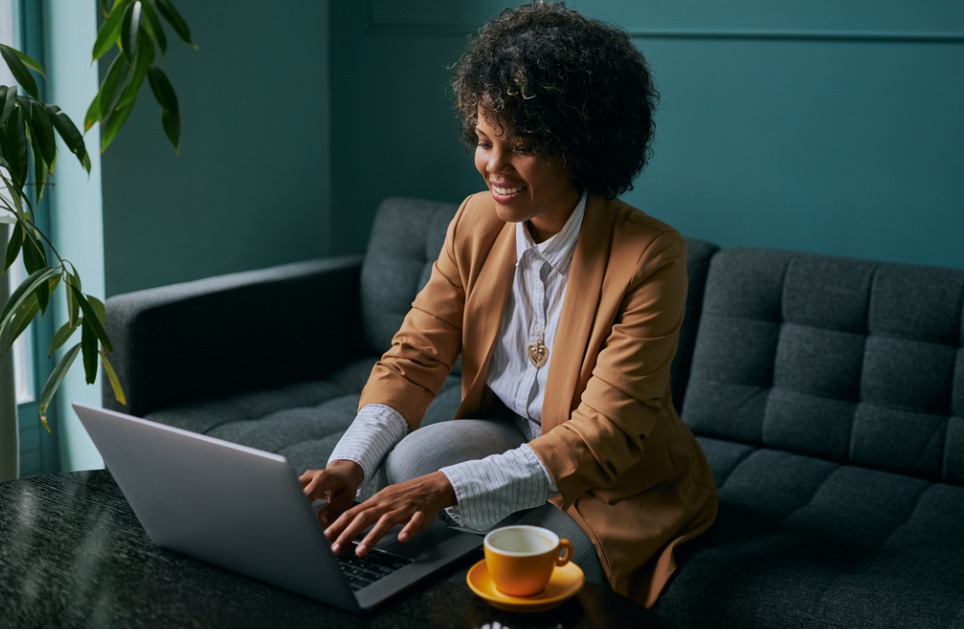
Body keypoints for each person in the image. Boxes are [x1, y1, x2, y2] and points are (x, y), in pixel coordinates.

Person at [299, 2, 717, 607]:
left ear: (579, 145)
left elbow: (601, 436)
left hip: (615, 476)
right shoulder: (474, 221)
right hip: (511, 435)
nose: (493, 166)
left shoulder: (650, 255)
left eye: (520, 147)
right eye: (483, 140)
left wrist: (446, 488)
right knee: (409, 459)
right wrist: (348, 465)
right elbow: (415, 357)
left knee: (539, 582)